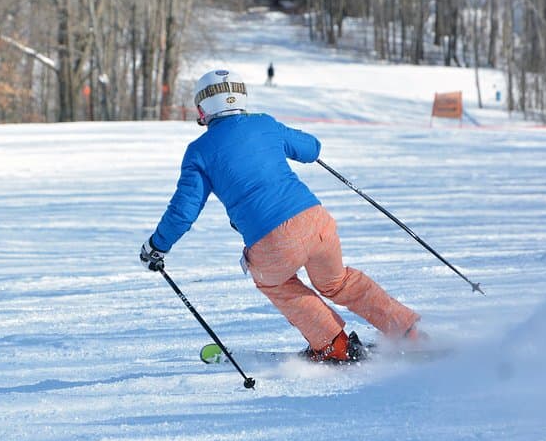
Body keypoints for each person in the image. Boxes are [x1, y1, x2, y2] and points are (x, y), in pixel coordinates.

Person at [140, 68, 424, 363]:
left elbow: (184, 211)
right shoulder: (264, 124)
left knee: (274, 282)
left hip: (272, 241)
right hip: (316, 222)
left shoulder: (198, 152)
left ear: (201, 109)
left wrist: (157, 246)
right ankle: (405, 329)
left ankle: (332, 343)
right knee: (338, 282)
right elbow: (311, 148)